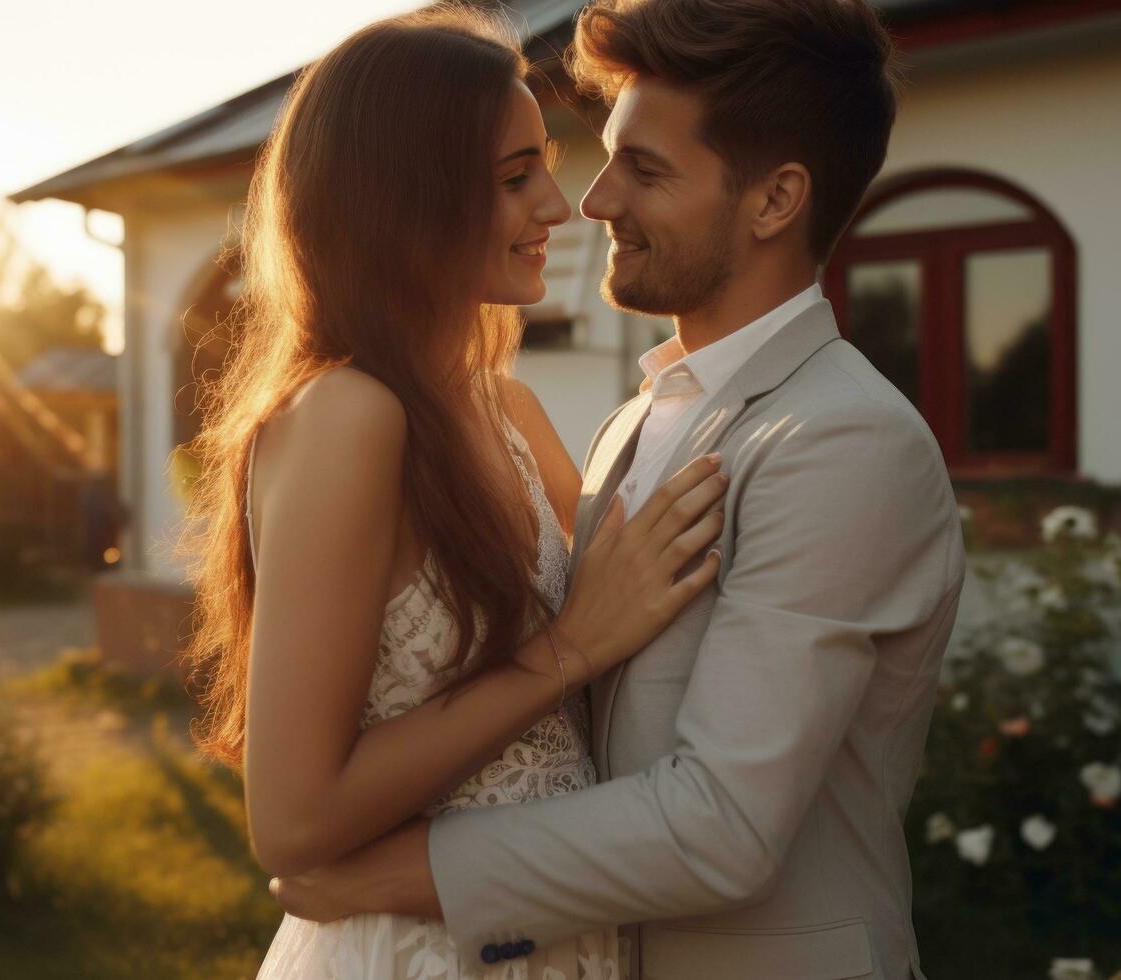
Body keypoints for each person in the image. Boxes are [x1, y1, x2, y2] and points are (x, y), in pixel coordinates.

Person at [267, 1, 966, 978]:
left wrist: (382, 877)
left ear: (774, 202)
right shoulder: (631, 423)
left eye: (645, 169)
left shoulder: (842, 439)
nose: (590, 202)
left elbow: (720, 824)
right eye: (599, 158)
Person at [181, 6, 729, 977]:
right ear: (406, 197)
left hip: (552, 933)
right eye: (517, 177)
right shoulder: (349, 415)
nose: (557, 208)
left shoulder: (508, 410)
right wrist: (572, 645)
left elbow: (627, 616)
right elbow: (292, 819)